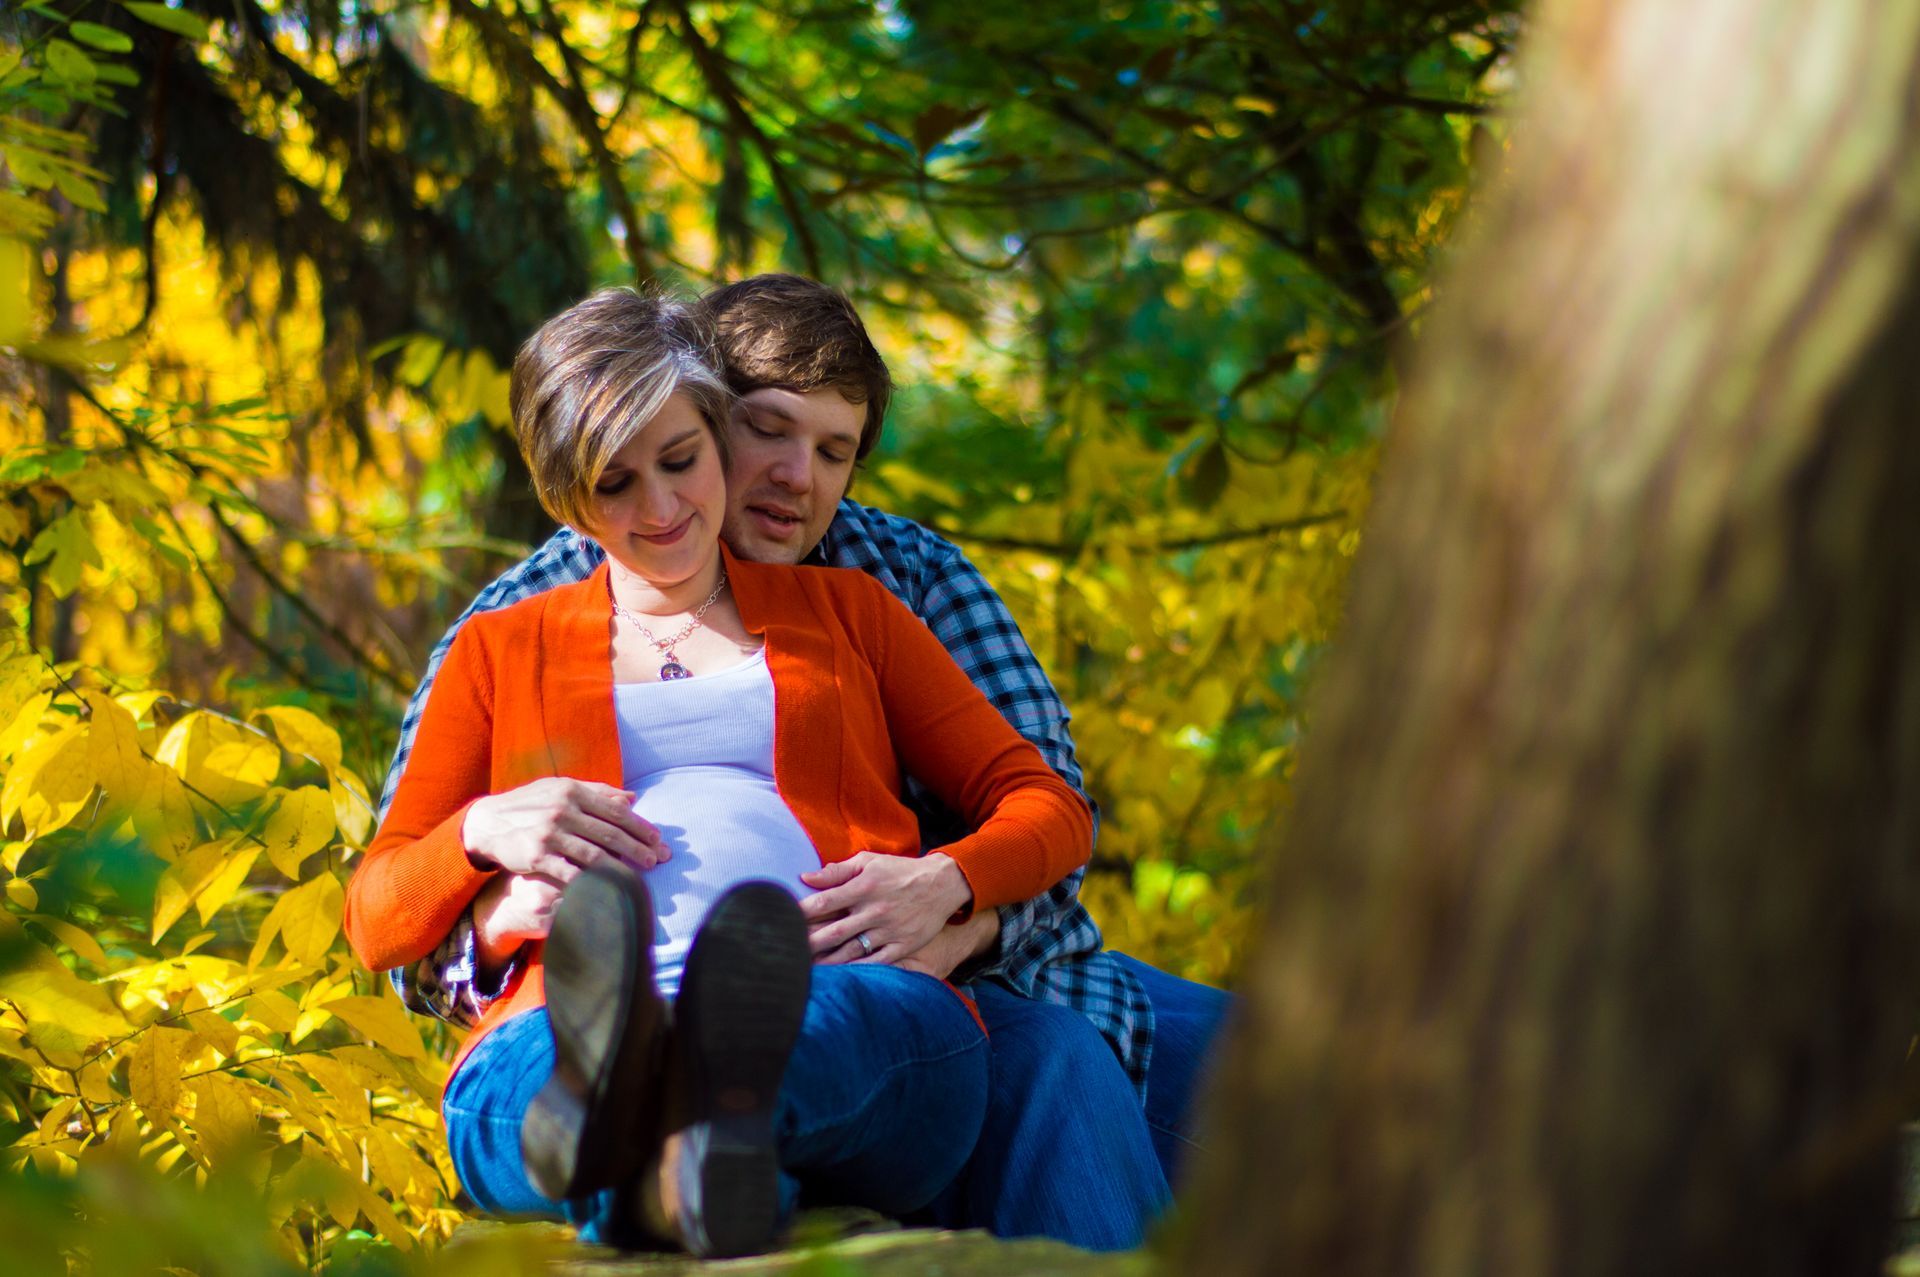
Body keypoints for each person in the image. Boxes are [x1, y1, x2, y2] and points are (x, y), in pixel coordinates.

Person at [383, 275, 1232, 1248]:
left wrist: (959, 909)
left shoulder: (897, 580)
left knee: (1286, 1070)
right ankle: (667, 1143)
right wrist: (492, 914)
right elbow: (404, 910)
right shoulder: (520, 621)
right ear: (696, 412)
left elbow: (1048, 808)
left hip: (945, 970)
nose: (799, 474)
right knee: (1052, 1070)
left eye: (835, 450)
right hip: (620, 1004)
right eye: (770, 431)